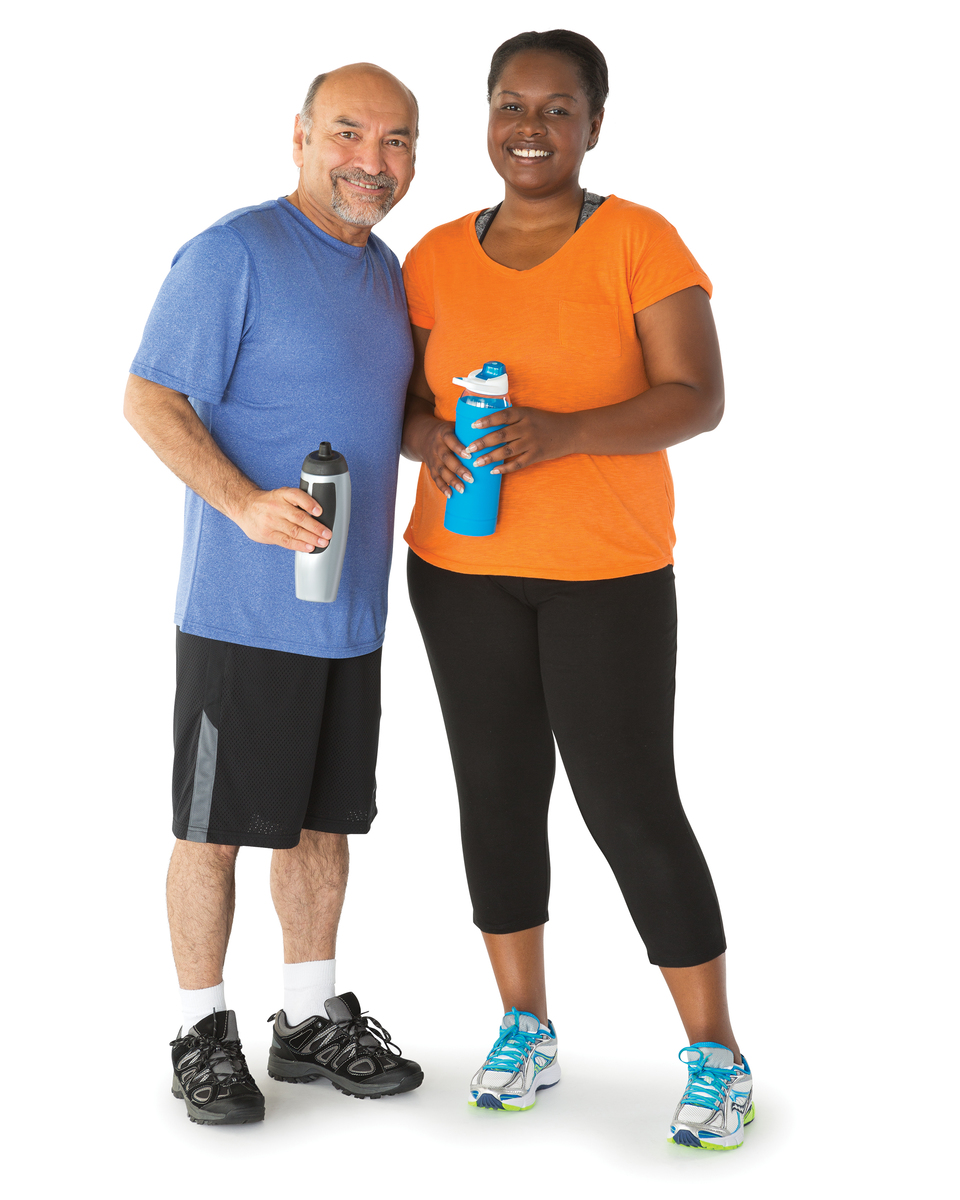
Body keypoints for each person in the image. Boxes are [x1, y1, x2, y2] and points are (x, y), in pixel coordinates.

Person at [400, 30, 753, 1149]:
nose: (531, 128)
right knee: (496, 795)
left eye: (558, 109)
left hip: (606, 574)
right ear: (487, 118)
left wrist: (563, 435)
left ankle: (717, 1053)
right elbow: (402, 407)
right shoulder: (436, 257)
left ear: (594, 124)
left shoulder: (639, 240)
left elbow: (696, 396)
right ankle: (524, 1024)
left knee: (630, 803)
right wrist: (431, 445)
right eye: (512, 105)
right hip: (459, 573)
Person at [124, 63, 423, 1126]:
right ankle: (201, 1029)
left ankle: (305, 1018)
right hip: (242, 614)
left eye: (396, 142)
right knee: (213, 830)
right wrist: (245, 504)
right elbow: (149, 397)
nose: (372, 162)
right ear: (299, 136)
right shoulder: (234, 253)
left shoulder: (389, 274)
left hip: (348, 611)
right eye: (350, 133)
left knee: (321, 827)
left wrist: (464, 446)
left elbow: (391, 416)